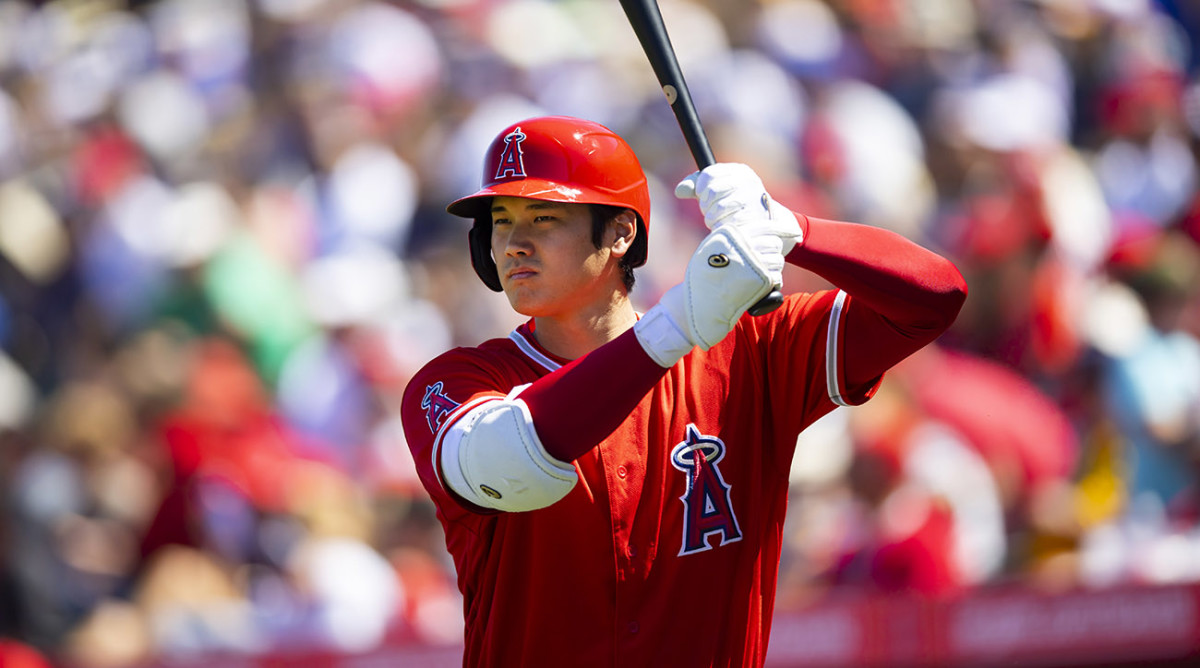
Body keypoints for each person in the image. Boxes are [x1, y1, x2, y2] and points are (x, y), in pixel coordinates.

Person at [400, 115, 967, 667]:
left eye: (544, 217)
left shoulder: (749, 351)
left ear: (621, 232)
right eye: (501, 221)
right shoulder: (453, 382)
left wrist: (789, 229)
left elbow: (934, 298)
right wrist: (672, 328)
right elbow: (507, 461)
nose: (514, 244)